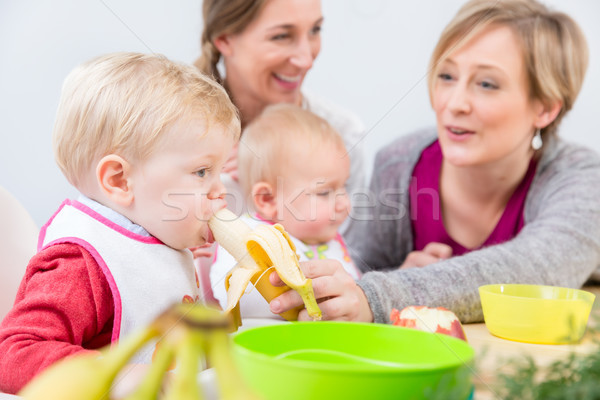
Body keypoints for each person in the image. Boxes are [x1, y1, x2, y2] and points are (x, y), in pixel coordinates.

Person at [267, 0, 600, 324]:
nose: (454, 103)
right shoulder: (398, 165)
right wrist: (393, 278)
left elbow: (537, 270)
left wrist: (383, 295)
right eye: (446, 76)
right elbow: (354, 280)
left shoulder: (580, 179)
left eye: (486, 84)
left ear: (545, 107)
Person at [0, 52, 239, 393]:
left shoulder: (162, 239)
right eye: (202, 172)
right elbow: (13, 353)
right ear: (120, 181)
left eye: (219, 172)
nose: (221, 192)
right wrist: (117, 374)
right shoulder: (82, 263)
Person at [194, 0, 365, 220]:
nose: (306, 60)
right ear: (225, 39)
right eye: (281, 36)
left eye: (315, 30)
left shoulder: (343, 133)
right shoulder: (172, 133)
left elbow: (345, 251)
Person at [210, 104, 361, 318]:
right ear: (268, 199)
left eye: (343, 187)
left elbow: (355, 293)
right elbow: (231, 296)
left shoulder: (331, 240)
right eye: (325, 192)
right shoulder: (251, 237)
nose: (344, 203)